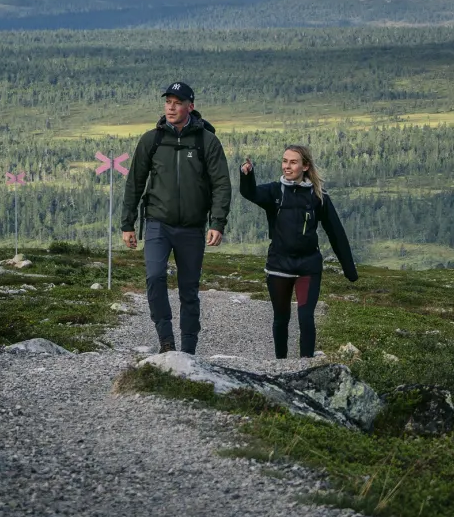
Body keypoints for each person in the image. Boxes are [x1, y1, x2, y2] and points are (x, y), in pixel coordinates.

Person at [120, 81, 232, 354]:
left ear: (190, 107)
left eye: (177, 102)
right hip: (158, 223)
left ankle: (189, 349)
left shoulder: (207, 141)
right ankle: (166, 341)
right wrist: (127, 224)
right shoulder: (152, 139)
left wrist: (217, 222)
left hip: (193, 227)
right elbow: (135, 182)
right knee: (155, 277)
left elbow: (221, 184)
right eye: (168, 102)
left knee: (189, 290)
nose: (171, 107)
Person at [240, 146, 357, 359]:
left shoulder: (318, 196)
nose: (287, 166)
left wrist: (350, 270)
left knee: (306, 318)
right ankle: (281, 365)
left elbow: (336, 234)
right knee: (281, 318)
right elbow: (250, 193)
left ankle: (305, 366)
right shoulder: (275, 191)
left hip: (308, 267)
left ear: (305, 166)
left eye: (293, 162)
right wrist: (247, 174)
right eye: (285, 161)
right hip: (279, 266)